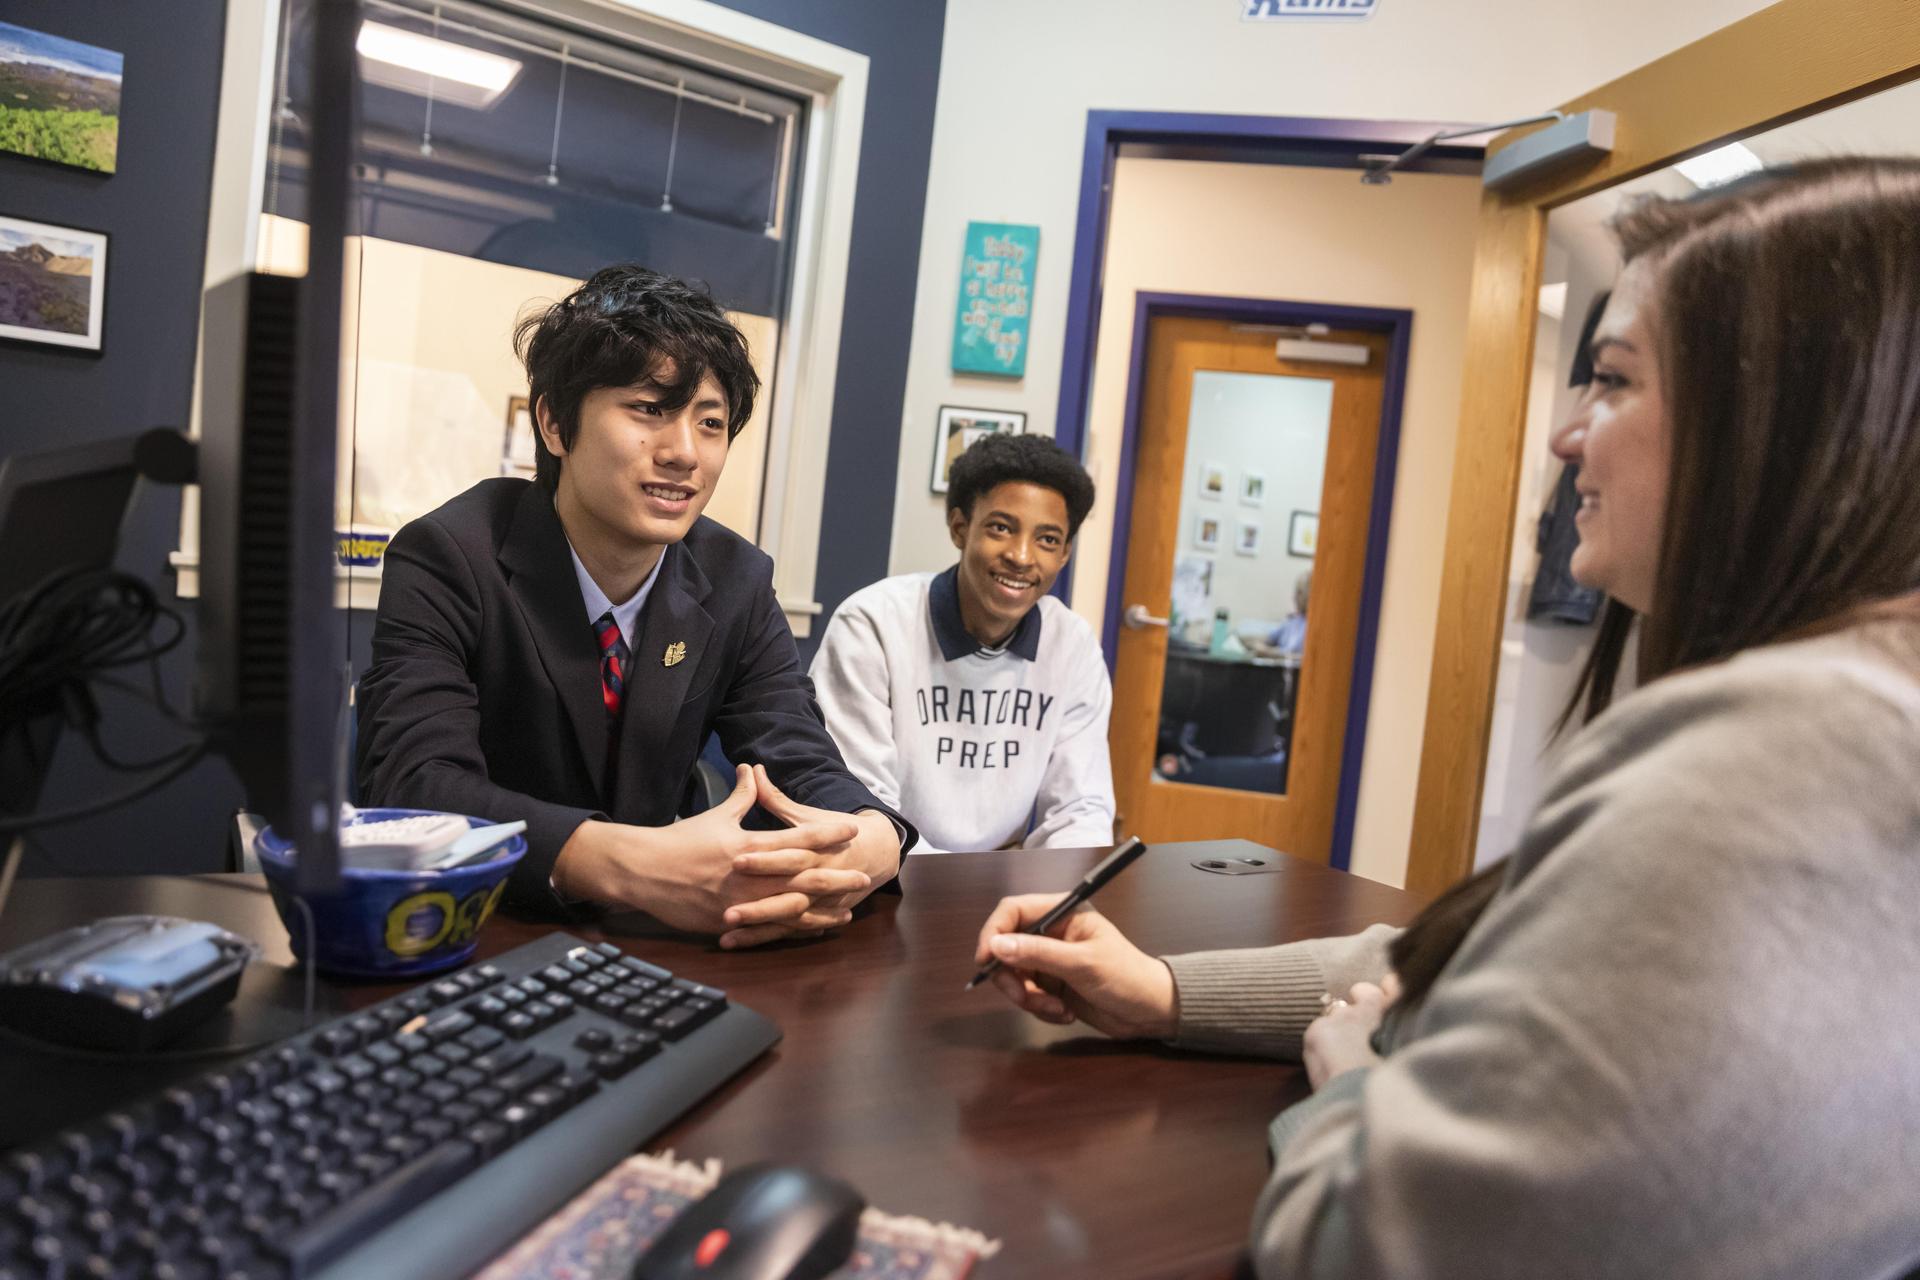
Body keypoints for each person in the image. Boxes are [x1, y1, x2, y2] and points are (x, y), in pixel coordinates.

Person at [973, 157, 1920, 1278]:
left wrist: (1357, 1080)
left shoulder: (1772, 766)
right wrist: (1169, 993)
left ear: (1777, 427)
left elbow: (1370, 1242)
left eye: (1612, 380)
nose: (1569, 434)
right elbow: (1495, 957)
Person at [357, 265, 911, 949]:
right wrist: (636, 865)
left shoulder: (736, 579)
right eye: (649, 410)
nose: (684, 453)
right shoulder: (451, 555)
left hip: (655, 944)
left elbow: (797, 756)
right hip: (473, 928)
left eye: (710, 423)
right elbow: (415, 784)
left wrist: (876, 839)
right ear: (556, 424)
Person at [809, 433, 1114, 854]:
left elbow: (1080, 808)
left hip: (998, 883)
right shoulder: (873, 625)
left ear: (1064, 555)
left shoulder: (1073, 645)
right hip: (880, 872)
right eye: (1001, 528)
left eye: (1047, 539)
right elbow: (860, 803)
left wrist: (1056, 896)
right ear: (959, 528)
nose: (1022, 557)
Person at [1249, 570, 1309, 659]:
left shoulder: (1315, 627)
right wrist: (1255, 644)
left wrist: (1273, 653)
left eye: (1299, 592)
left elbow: (1307, 660)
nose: (1294, 597)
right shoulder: (1292, 622)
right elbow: (1267, 639)